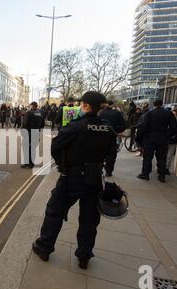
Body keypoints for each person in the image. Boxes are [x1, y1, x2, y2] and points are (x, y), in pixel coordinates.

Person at [32, 91, 116, 270]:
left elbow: (55, 147)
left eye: (81, 104)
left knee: (54, 212)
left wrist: (64, 164)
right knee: (89, 219)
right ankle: (84, 256)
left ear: (85, 106)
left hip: (72, 178)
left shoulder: (76, 127)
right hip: (94, 179)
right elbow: (112, 154)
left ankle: (44, 247)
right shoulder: (108, 129)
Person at [136, 99, 177, 183]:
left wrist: (139, 139)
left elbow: (142, 127)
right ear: (162, 104)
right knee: (162, 158)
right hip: (163, 138)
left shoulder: (149, 114)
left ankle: (145, 174)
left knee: (147, 157)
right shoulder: (168, 113)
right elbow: (174, 127)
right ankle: (162, 175)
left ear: (154, 104)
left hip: (150, 138)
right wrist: (168, 135)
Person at [99, 100, 126, 177]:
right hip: (112, 136)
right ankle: (109, 171)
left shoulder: (101, 113)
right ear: (113, 105)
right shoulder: (117, 113)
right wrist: (117, 131)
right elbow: (123, 125)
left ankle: (99, 169)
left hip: (101, 135)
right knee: (111, 154)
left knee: (100, 153)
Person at [21, 102, 45, 169]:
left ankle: (28, 163)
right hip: (36, 131)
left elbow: (25, 123)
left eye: (30, 105)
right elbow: (43, 123)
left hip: (28, 132)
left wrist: (22, 129)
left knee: (26, 147)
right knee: (33, 148)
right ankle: (29, 163)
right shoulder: (40, 113)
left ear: (32, 106)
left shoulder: (29, 113)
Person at [166, 110, 177, 175]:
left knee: (169, 155)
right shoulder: (165, 121)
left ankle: (167, 168)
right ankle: (161, 167)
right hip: (165, 141)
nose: (173, 115)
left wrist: (175, 136)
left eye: (174, 114)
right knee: (163, 155)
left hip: (172, 141)